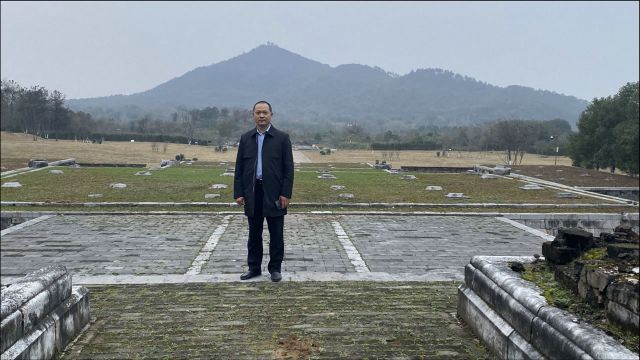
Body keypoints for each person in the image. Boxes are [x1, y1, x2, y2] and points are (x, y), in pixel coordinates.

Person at [234, 100, 294, 282]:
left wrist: (286, 193)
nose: (261, 116)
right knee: (254, 233)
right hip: (253, 193)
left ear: (271, 115)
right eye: (258, 112)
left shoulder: (282, 138)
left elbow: (288, 168)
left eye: (265, 112)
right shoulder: (246, 138)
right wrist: (238, 192)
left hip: (275, 193)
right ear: (253, 115)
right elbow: (239, 168)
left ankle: (275, 268)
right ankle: (254, 268)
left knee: (276, 233)